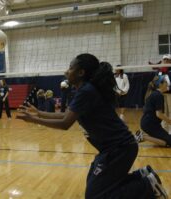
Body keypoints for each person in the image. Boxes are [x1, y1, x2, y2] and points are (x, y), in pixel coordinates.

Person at [17, 53, 167, 199]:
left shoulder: (87, 91)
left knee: (95, 195)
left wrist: (34, 120)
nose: (66, 71)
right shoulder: (85, 91)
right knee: (95, 184)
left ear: (81, 72)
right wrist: (38, 113)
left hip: (119, 148)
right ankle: (141, 176)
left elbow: (65, 124)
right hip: (114, 148)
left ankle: (147, 185)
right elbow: (65, 115)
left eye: (70, 68)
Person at [135, 75, 171, 147]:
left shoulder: (156, 94)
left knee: (167, 139)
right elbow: (159, 114)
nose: (167, 84)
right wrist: (170, 121)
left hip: (150, 124)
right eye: (166, 82)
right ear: (160, 84)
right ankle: (143, 137)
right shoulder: (158, 95)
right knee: (169, 142)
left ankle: (143, 135)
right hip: (150, 125)